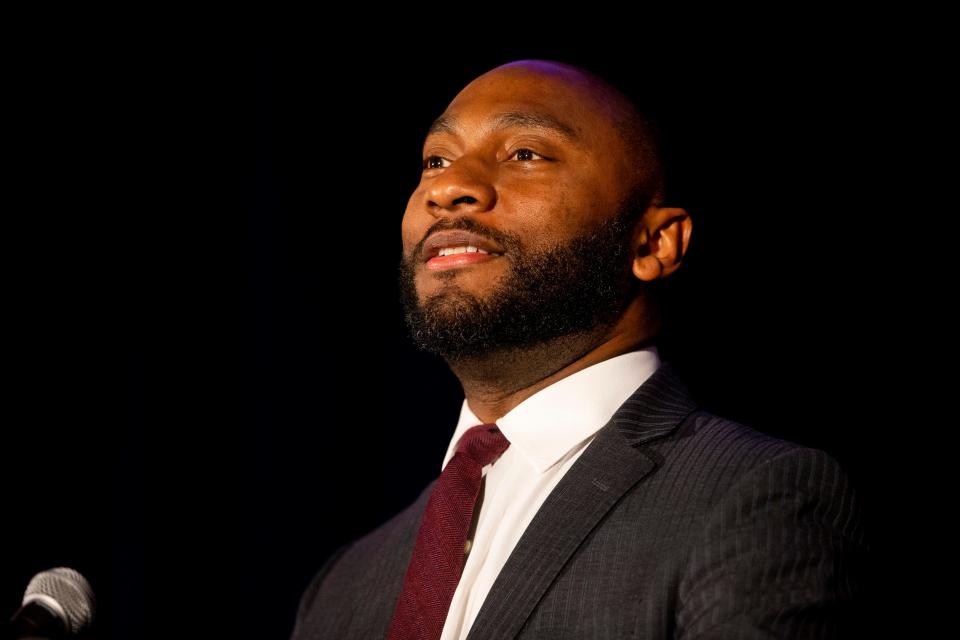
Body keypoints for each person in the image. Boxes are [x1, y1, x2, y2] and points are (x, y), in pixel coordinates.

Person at [289, 59, 869, 639]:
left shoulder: (755, 496)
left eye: (525, 154)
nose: (446, 187)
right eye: (435, 161)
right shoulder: (345, 584)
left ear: (653, 242)